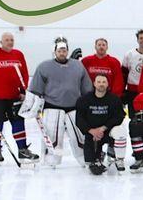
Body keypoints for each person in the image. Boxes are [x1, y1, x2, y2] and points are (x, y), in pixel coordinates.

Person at [21, 37, 94, 167]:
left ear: (67, 51)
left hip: (74, 108)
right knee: (52, 137)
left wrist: (89, 105)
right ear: (54, 51)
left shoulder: (77, 66)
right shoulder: (44, 66)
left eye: (64, 50)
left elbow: (86, 88)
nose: (62, 53)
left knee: (79, 137)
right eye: (59, 51)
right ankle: (50, 160)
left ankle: (85, 159)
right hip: (52, 107)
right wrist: (30, 106)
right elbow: (35, 89)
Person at [0, 32, 38, 163]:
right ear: (1, 42)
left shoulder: (18, 55)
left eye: (11, 40)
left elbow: (24, 73)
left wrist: (23, 90)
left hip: (14, 96)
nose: (10, 42)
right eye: (7, 40)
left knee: (18, 122)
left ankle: (22, 150)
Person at [75, 74, 126, 175]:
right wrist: (91, 131)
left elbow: (119, 117)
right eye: (98, 82)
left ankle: (119, 158)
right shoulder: (84, 100)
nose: (101, 84)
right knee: (92, 166)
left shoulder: (114, 99)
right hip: (92, 134)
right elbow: (79, 120)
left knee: (120, 131)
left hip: (108, 131)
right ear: (94, 84)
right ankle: (98, 155)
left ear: (107, 84)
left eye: (103, 82)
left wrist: (103, 128)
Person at [120, 29, 143, 115]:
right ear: (137, 40)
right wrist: (123, 91)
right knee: (134, 116)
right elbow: (124, 74)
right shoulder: (129, 54)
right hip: (132, 91)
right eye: (141, 38)